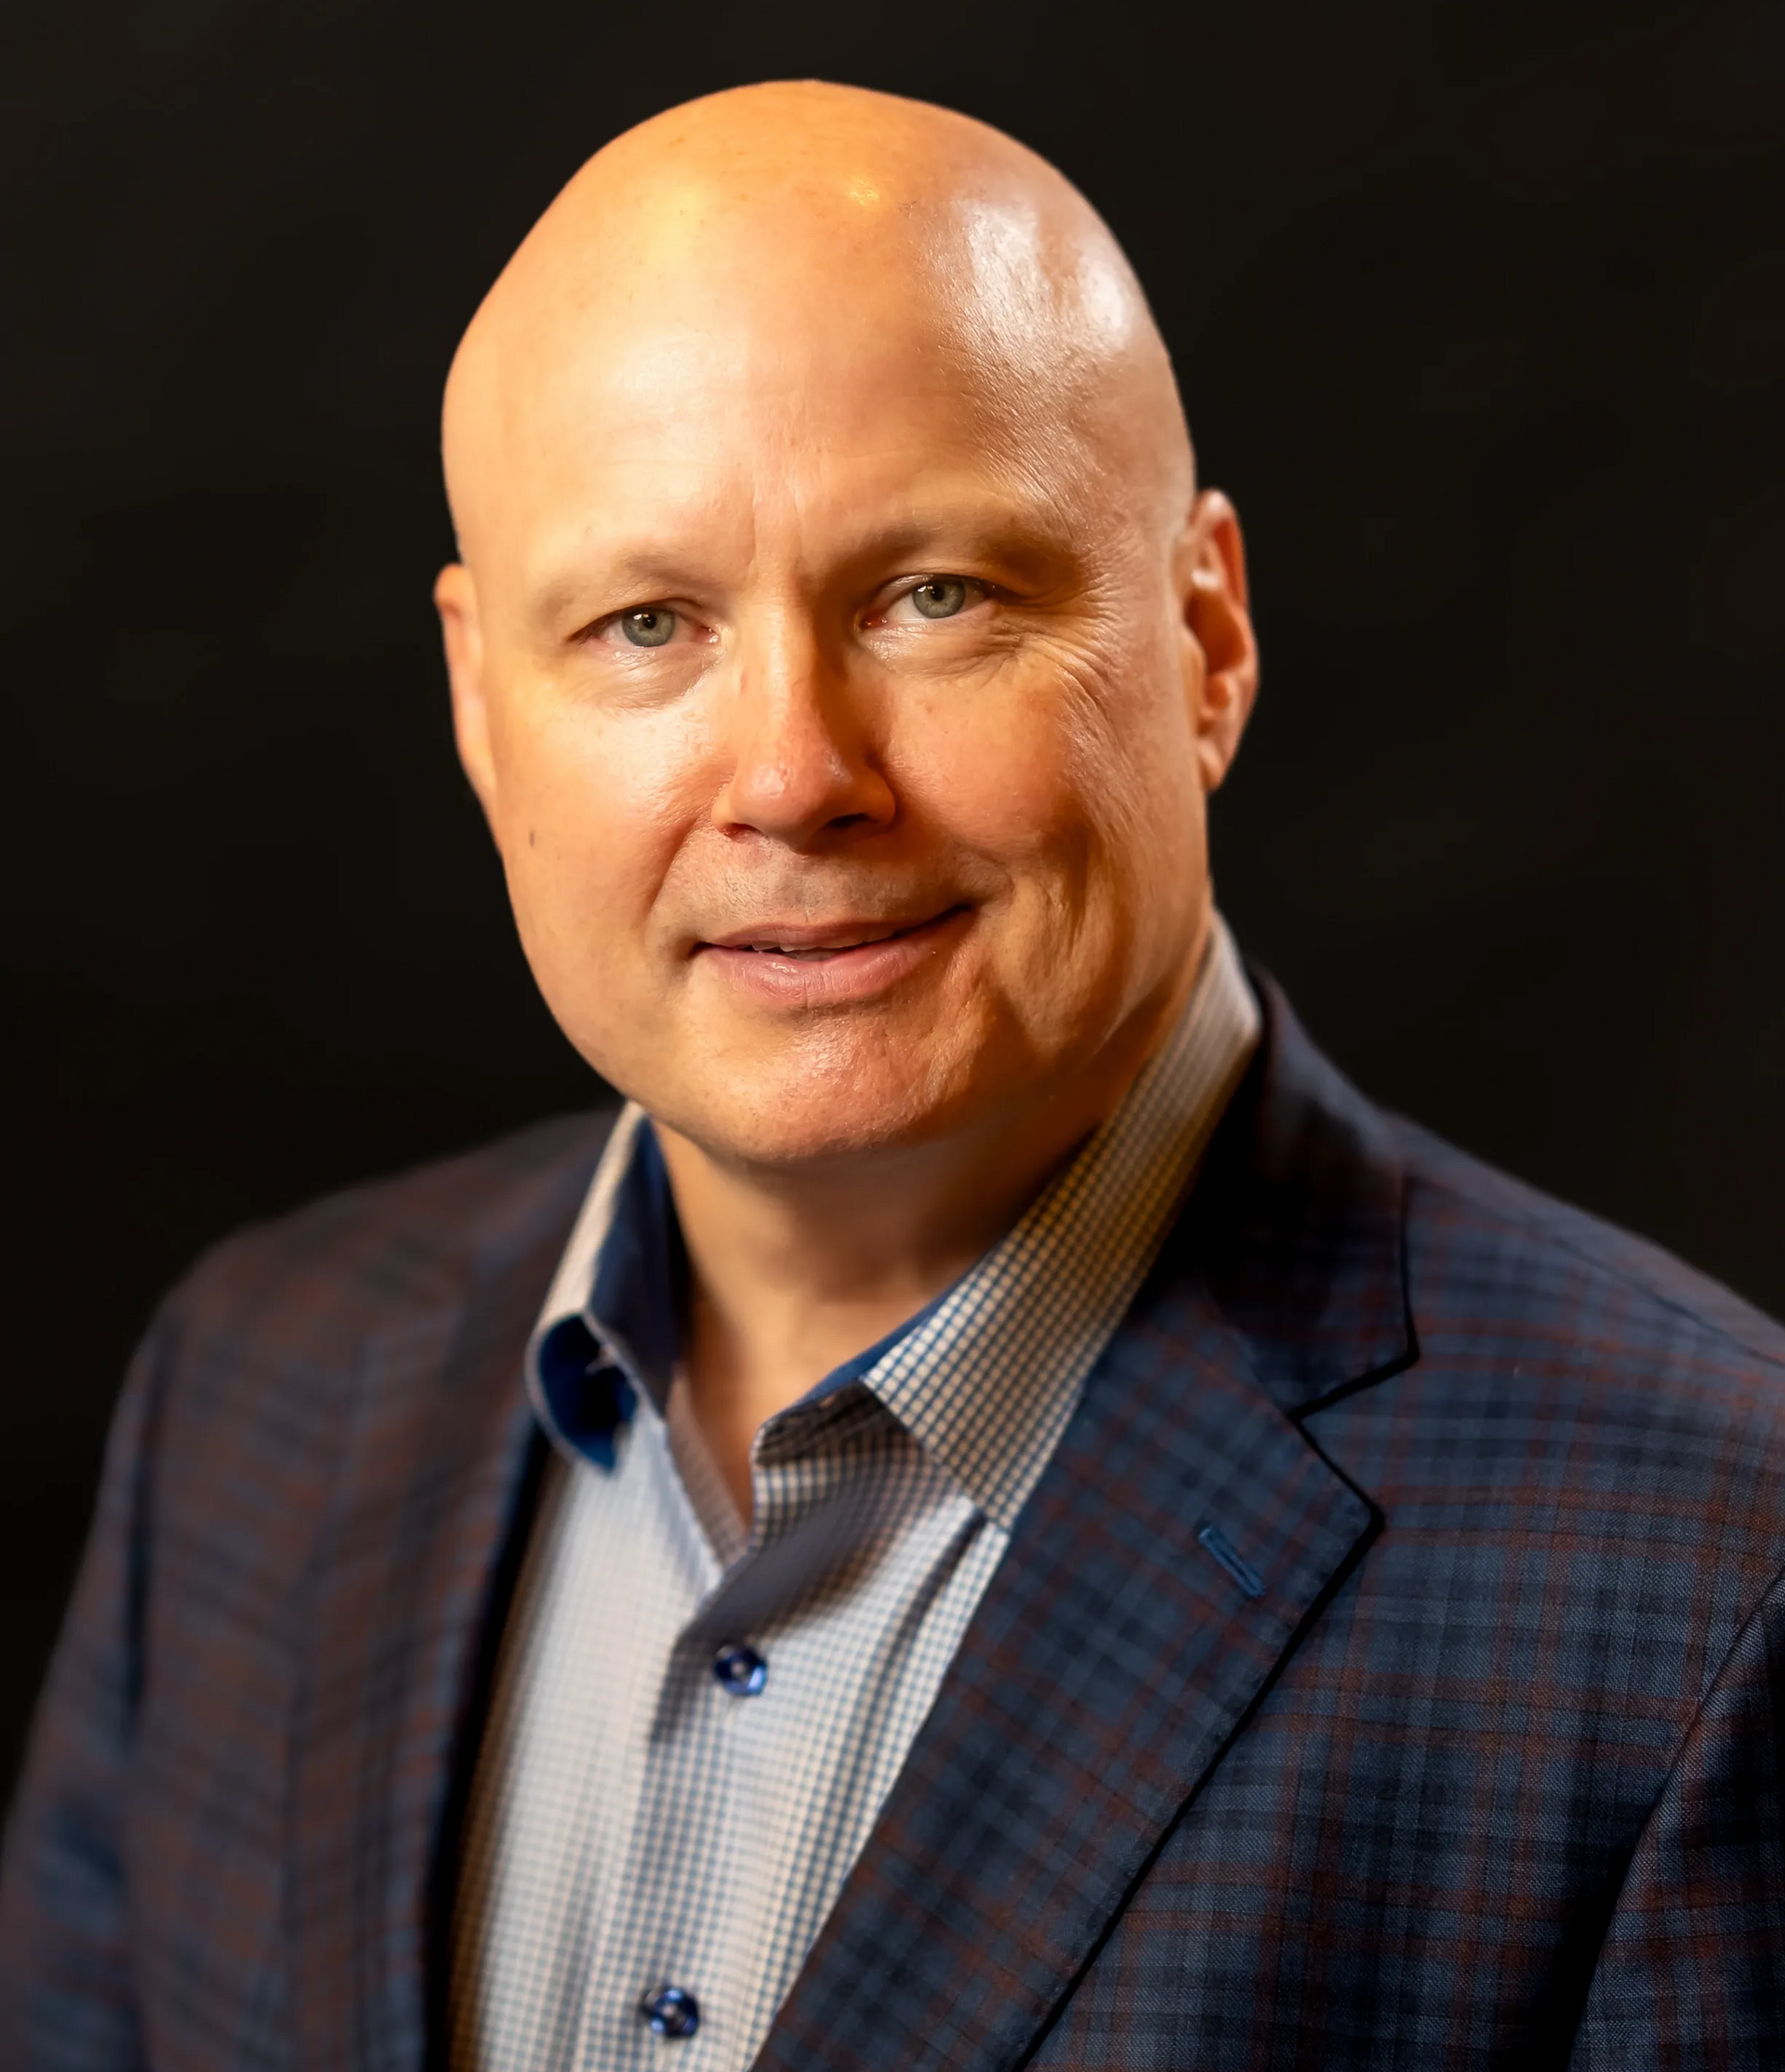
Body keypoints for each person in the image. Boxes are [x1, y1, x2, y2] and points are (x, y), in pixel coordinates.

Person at [6, 77, 1785, 2072]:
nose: (791, 777)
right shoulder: (253, 1393)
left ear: (1205, 639)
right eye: (646, 623)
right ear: (479, 703)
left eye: (936, 595)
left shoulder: (1716, 1574)